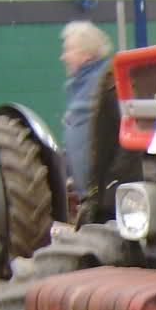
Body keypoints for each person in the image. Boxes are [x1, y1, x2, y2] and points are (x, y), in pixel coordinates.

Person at [59, 20, 112, 195]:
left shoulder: (102, 84)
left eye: (69, 50)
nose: (63, 57)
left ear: (87, 55)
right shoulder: (80, 86)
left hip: (103, 199)